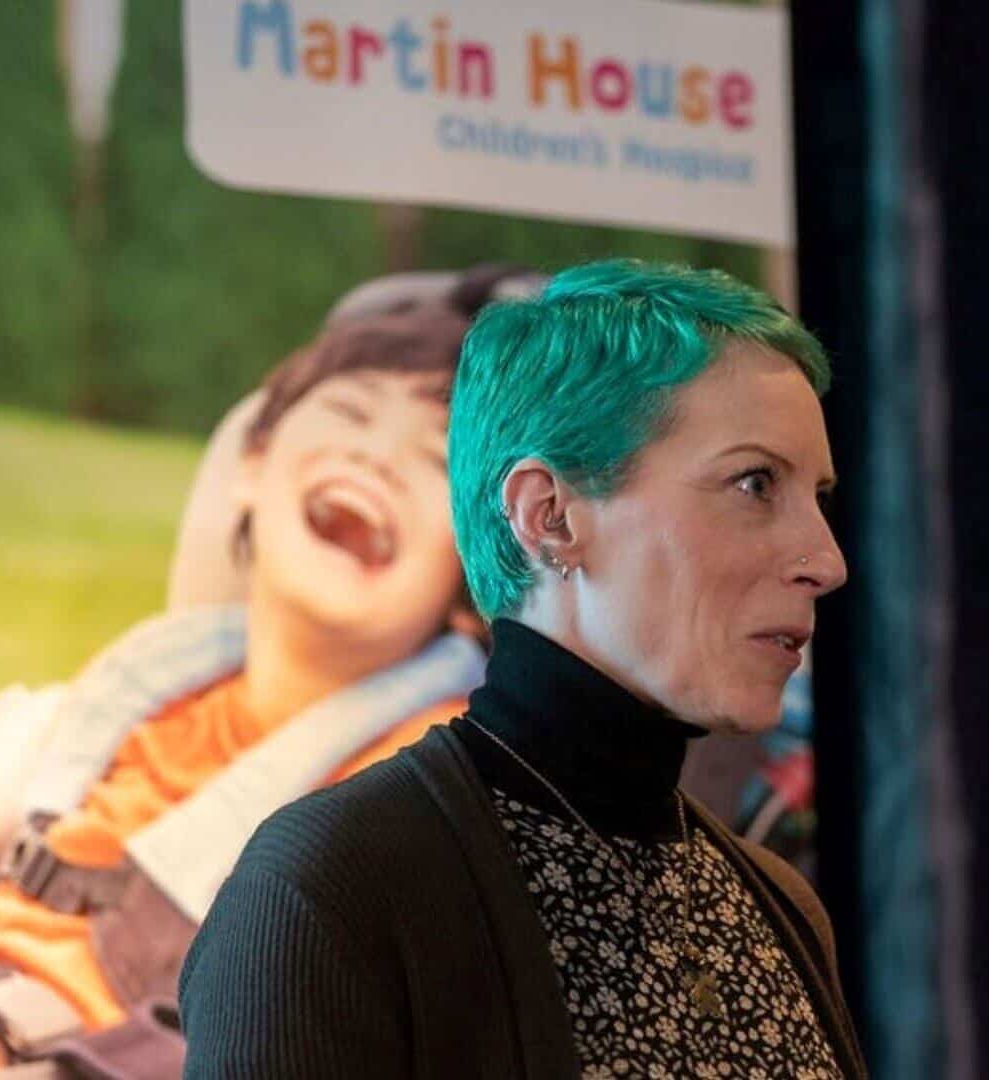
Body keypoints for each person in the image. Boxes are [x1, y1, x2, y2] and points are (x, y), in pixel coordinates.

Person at [0, 305, 490, 1072]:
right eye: (348, 413)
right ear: (251, 468)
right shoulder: (138, 692)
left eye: (437, 460)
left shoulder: (432, 788)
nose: (374, 457)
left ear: (476, 573)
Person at [179, 260, 866, 1078]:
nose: (825, 560)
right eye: (755, 483)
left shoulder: (780, 905)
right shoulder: (335, 886)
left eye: (817, 497)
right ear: (549, 516)